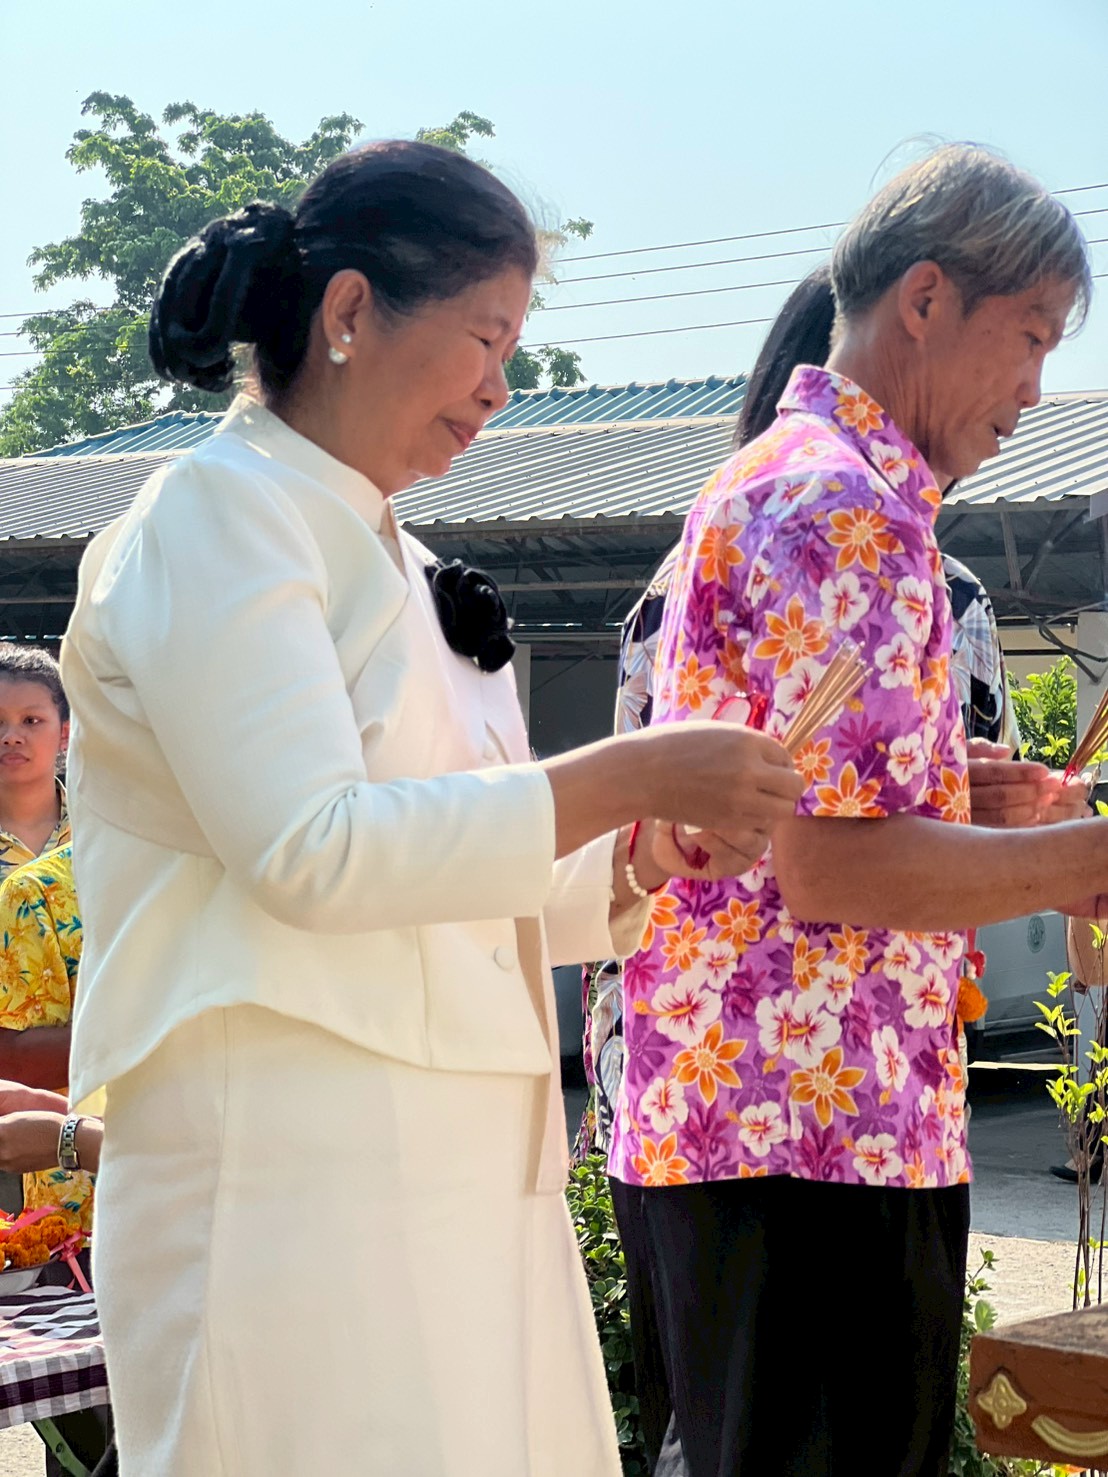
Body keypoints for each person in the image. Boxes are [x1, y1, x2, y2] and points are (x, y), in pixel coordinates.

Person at [60, 140, 804, 1476]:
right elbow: (313, 848)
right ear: (349, 313)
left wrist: (639, 855)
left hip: (457, 1157)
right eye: (484, 337)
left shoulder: (405, 556)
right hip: (287, 1159)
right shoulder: (214, 516)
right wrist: (626, 775)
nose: (499, 390)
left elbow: (466, 853)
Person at [609, 143, 1104, 1477]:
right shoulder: (843, 503)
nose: (1033, 391)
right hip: (805, 1131)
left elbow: (814, 816)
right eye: (1031, 339)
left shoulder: (816, 482)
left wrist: (973, 799)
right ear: (929, 297)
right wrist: (1087, 855)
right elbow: (839, 871)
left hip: (781, 1121)